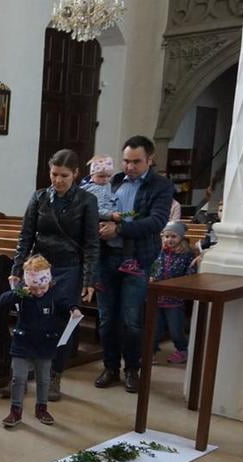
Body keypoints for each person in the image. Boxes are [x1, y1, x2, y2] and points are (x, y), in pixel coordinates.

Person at [11, 149, 98, 401]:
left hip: (69, 267)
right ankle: (22, 372)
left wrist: (89, 279)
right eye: (54, 174)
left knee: (60, 322)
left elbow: (92, 243)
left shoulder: (87, 200)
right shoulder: (39, 197)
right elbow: (26, 236)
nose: (58, 180)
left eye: (64, 175)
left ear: (76, 174)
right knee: (30, 317)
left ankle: (53, 375)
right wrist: (17, 269)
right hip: (40, 267)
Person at [95, 135, 175, 392]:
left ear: (149, 160)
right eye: (126, 161)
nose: (129, 167)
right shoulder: (115, 181)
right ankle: (110, 367)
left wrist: (119, 229)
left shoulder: (161, 186)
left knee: (131, 320)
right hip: (106, 258)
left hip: (137, 260)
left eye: (136, 162)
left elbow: (156, 222)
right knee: (106, 319)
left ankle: (132, 369)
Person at [0, 256, 79, 428]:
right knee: (18, 378)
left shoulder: (54, 292)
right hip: (22, 342)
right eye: (35, 288)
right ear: (28, 284)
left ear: (48, 281)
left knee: (43, 379)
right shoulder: (23, 292)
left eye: (42, 287)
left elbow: (66, 303)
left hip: (45, 343)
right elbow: (3, 300)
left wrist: (74, 309)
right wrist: (19, 292)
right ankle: (15, 411)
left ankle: (42, 408)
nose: (39, 292)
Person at [151, 221, 199, 364]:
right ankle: (150, 351)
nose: (169, 240)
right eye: (166, 236)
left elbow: (190, 274)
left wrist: (182, 285)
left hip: (175, 299)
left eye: (173, 236)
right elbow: (153, 267)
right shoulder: (159, 252)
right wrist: (151, 276)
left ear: (181, 238)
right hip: (157, 296)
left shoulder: (186, 255)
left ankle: (182, 350)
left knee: (175, 329)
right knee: (154, 328)